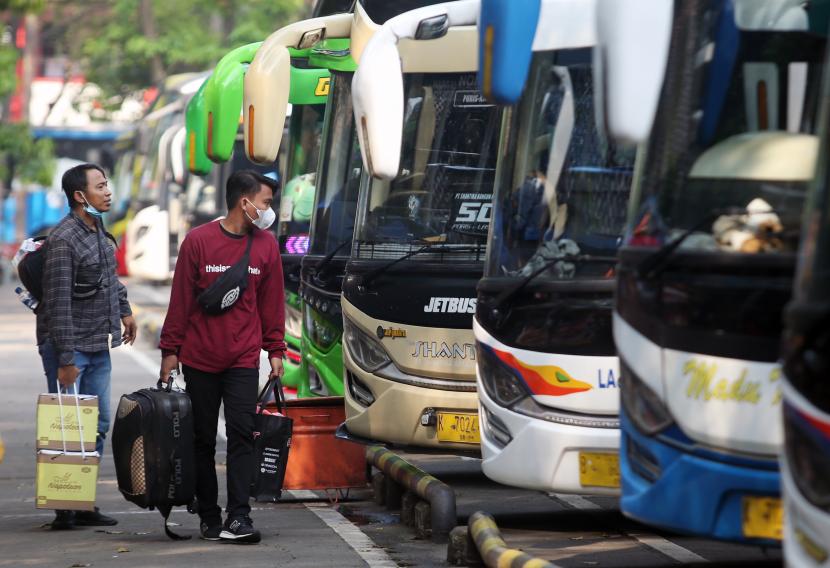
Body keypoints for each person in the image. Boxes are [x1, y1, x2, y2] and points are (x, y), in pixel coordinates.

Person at [158, 170, 286, 544]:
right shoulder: (197, 242)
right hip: (199, 359)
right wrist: (170, 350)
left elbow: (271, 304)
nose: (268, 210)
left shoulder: (266, 247)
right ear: (244, 202)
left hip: (243, 359)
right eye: (264, 202)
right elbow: (180, 300)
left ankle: (239, 517)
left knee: (243, 435)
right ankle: (210, 517)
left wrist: (275, 350)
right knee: (200, 440)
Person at [42, 163, 137, 530]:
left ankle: (81, 501)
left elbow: (109, 278)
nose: (108, 191)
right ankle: (64, 506)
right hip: (72, 349)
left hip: (99, 346)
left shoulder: (98, 231)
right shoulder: (64, 239)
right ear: (80, 196)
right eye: (100, 186)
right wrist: (66, 360)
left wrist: (125, 312)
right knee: (68, 429)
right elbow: (58, 303)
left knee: (96, 426)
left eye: (107, 184)